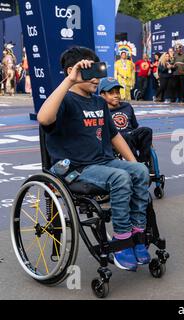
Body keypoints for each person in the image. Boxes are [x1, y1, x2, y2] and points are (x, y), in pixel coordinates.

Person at [37, 47, 151, 272]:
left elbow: (115, 136)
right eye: (90, 71)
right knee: (119, 178)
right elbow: (43, 118)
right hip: (75, 169)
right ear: (72, 71)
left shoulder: (99, 103)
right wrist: (69, 81)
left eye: (98, 70)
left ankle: (137, 234)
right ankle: (121, 241)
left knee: (140, 172)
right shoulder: (65, 100)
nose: (96, 78)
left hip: (103, 162)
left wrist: (134, 161)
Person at [99, 77, 153, 163]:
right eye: (111, 93)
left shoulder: (127, 106)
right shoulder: (100, 111)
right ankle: (135, 163)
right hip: (114, 142)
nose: (116, 95)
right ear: (103, 95)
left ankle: (145, 162)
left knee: (147, 131)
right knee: (125, 136)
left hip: (131, 136)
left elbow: (135, 126)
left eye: (117, 92)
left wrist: (146, 141)